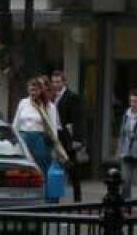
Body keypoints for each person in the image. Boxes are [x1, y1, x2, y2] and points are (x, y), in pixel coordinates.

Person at [12, 77, 63, 181]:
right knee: (23, 169)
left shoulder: (49, 106)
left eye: (35, 90)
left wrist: (55, 147)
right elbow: (16, 123)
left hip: (40, 140)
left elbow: (53, 128)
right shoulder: (23, 103)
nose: (33, 93)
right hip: (24, 138)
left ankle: (42, 192)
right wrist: (14, 139)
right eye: (31, 90)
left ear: (41, 91)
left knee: (40, 168)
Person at [50, 70, 87, 202]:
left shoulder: (72, 97)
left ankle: (77, 199)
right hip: (55, 135)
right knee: (55, 167)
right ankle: (54, 198)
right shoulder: (50, 96)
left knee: (72, 167)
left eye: (58, 81)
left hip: (67, 136)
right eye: (53, 82)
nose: (55, 84)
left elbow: (78, 119)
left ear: (64, 82)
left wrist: (77, 139)